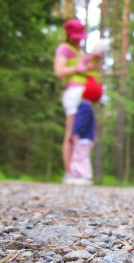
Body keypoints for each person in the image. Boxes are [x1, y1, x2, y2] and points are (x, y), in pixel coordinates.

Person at [53, 19, 98, 182]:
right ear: (68, 35)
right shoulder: (63, 49)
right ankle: (69, 172)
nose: (78, 39)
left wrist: (93, 60)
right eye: (76, 36)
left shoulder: (79, 52)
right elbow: (59, 71)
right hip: (73, 93)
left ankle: (78, 171)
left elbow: (88, 71)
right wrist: (76, 68)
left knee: (82, 134)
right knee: (72, 132)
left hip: (84, 93)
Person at [67, 76, 103, 186]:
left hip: (83, 138)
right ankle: (77, 175)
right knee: (79, 156)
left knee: (81, 156)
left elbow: (81, 121)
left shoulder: (84, 106)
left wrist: (77, 133)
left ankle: (84, 176)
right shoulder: (88, 106)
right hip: (86, 138)